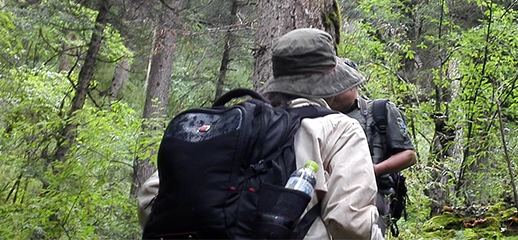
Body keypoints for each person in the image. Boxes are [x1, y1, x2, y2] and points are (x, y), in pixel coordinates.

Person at [137, 28, 383, 240]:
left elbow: (150, 199)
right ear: (328, 79)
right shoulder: (340, 129)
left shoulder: (232, 124)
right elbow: (350, 224)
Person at [329, 59, 417, 235]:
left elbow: (408, 155)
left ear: (353, 85)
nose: (333, 91)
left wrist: (372, 170)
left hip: (373, 195)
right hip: (329, 194)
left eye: (339, 84)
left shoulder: (379, 111)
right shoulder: (320, 115)